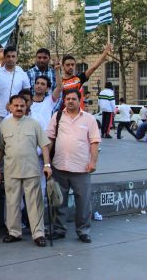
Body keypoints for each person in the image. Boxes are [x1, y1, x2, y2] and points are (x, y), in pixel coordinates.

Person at [0, 95, 52, 247]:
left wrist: (47, 165)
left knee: (34, 202)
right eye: (16, 105)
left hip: (31, 169)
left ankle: (38, 234)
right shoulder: (4, 125)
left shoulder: (34, 123)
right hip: (11, 169)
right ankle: (14, 232)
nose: (19, 108)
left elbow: (45, 145)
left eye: (22, 105)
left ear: (26, 106)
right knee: (12, 202)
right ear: (10, 107)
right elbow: (0, 149)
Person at [46, 89, 100, 243]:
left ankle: (83, 231)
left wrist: (93, 162)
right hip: (59, 166)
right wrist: (47, 162)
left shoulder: (89, 119)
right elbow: (49, 139)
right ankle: (59, 229)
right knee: (59, 201)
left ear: (79, 100)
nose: (70, 101)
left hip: (81, 168)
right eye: (67, 98)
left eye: (73, 99)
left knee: (83, 202)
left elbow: (94, 141)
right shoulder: (57, 117)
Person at [58, 44, 111, 111]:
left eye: (72, 65)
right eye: (68, 65)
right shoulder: (59, 83)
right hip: (64, 115)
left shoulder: (79, 79)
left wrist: (105, 53)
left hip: (78, 115)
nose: (70, 67)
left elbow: (93, 68)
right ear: (63, 66)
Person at [0, 46, 31, 122]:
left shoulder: (22, 73)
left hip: (17, 113)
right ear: (4, 58)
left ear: (17, 58)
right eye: (8, 56)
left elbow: (26, 93)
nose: (11, 59)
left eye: (13, 56)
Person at [30, 62, 63, 132]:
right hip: (30, 135)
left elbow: (59, 88)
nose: (39, 86)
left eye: (42, 84)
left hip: (45, 136)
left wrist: (57, 71)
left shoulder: (49, 100)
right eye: (37, 83)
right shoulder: (27, 101)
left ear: (47, 89)